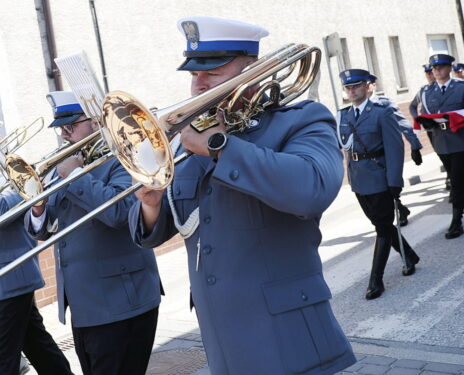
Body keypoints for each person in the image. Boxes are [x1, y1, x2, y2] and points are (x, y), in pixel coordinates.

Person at [129, 16, 355, 374]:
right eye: (192, 75)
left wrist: (219, 146)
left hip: (288, 338)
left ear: (252, 73)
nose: (197, 83)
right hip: (223, 344)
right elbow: (162, 230)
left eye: (212, 73)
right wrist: (150, 203)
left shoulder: (300, 120)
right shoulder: (188, 140)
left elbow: (313, 188)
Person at [25, 91, 162, 375]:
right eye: (62, 128)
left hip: (123, 300)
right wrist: (38, 209)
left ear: (98, 122)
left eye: (71, 126)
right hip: (85, 305)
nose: (65, 134)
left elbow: (120, 214)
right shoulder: (68, 164)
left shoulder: (126, 156)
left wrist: (75, 177)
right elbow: (46, 228)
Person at [0, 123, 71, 375]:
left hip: (13, 274)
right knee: (36, 344)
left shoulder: (17, 175)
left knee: (3, 356)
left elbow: (1, 213)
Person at [336, 69, 421, 299]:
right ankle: (409, 255)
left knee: (382, 227)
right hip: (358, 179)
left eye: (356, 86)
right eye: (348, 88)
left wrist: (395, 181)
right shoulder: (343, 115)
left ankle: (376, 280)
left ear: (367, 86)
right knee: (380, 223)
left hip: (380, 177)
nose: (352, 91)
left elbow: (394, 149)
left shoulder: (382, 113)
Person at [418, 54, 464, 239]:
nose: (437, 71)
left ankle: (456, 222)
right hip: (441, 140)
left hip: (462, 139)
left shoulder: (463, 88)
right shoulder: (428, 91)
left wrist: (460, 118)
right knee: (463, 177)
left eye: (441, 67)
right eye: (434, 68)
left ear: (449, 68)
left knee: (457, 182)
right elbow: (427, 113)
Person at [367, 75, 423, 226]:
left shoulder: (384, 104)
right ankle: (401, 209)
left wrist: (415, 145)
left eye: (366, 84)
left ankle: (398, 212)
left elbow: (403, 124)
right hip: (368, 160)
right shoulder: (355, 108)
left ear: (373, 85)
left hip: (385, 155)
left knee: (388, 186)